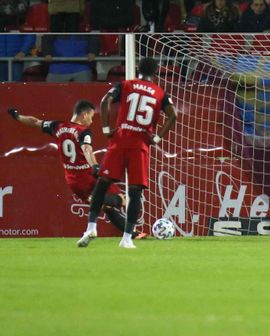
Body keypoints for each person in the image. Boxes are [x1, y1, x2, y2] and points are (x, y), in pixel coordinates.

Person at [77, 57, 177, 250]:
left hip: (120, 140)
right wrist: (156, 138)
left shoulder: (126, 84)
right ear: (155, 72)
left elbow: (105, 100)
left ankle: (90, 228)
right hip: (140, 145)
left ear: (137, 69)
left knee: (102, 184)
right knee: (135, 192)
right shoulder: (160, 92)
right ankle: (127, 238)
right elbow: (173, 115)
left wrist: (106, 128)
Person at [6, 102, 144, 240]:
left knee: (107, 208)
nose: (90, 121)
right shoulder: (83, 131)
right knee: (122, 199)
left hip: (73, 180)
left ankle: (133, 234)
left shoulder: (57, 126)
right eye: (90, 117)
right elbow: (87, 149)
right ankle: (96, 200)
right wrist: (95, 165)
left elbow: (35, 122)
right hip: (88, 176)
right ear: (83, 115)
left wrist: (17, 116)